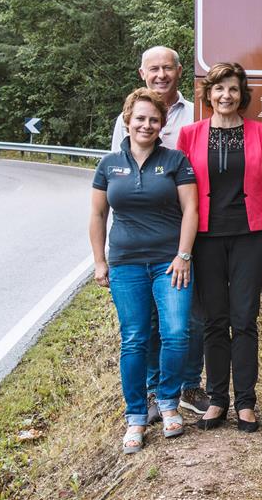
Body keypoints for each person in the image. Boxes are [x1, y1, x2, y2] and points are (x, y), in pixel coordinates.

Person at [177, 62, 262, 433]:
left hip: (249, 237)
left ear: (242, 96)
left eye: (234, 89)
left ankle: (246, 402)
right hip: (205, 238)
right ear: (208, 95)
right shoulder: (190, 135)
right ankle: (217, 398)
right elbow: (182, 194)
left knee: (244, 320)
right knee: (213, 320)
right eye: (220, 89)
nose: (226, 96)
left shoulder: (261, 134)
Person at [90, 88, 199, 453]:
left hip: (171, 263)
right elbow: (97, 215)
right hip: (125, 264)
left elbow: (192, 212)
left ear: (162, 124)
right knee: (134, 338)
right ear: (127, 120)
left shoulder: (176, 161)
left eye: (154, 119)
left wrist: (183, 255)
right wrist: (99, 260)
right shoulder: (108, 165)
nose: (146, 124)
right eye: (140, 118)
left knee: (177, 332)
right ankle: (136, 416)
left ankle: (168, 402)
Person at [111, 46, 210, 423]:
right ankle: (153, 391)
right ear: (142, 73)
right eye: (154, 69)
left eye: (167, 68)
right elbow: (115, 176)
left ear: (180, 71)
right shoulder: (128, 117)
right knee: (148, 322)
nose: (161, 74)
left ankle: (189, 385)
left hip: (189, 223)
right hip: (143, 235)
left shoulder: (194, 110)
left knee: (191, 315)